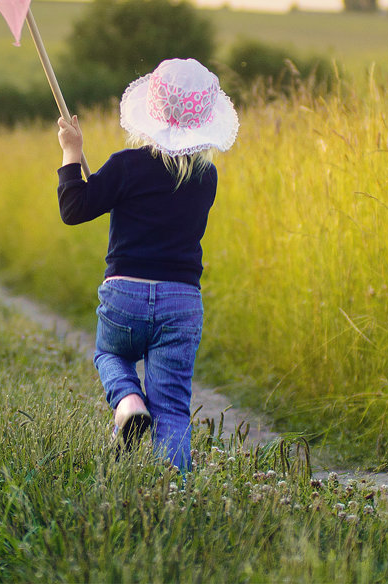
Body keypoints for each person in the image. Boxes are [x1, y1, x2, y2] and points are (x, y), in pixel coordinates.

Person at [56, 58, 238, 471]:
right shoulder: (206, 178)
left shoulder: (126, 166)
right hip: (181, 300)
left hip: (126, 294)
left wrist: (72, 152)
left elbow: (74, 208)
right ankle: (172, 492)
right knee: (172, 408)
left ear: (151, 113)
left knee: (109, 354)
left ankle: (127, 402)